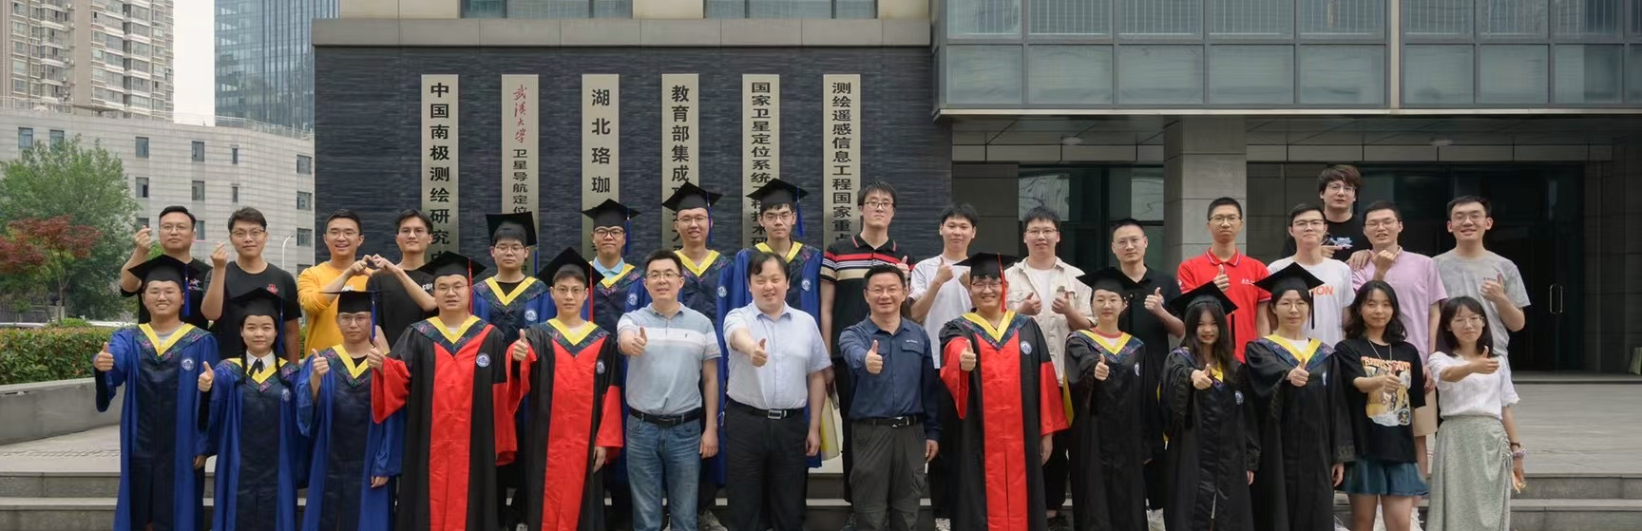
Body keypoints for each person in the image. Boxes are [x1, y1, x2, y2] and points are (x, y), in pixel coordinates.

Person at [368, 251, 516, 531]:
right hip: (427, 441)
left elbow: (501, 395)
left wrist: (501, 442)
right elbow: (398, 381)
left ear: (469, 290)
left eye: (458, 286)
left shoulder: (490, 337)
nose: (450, 293)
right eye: (442, 287)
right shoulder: (418, 334)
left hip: (475, 443)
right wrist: (382, 367)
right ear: (433, 293)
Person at [626, 183, 734, 531]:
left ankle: (702, 507)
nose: (693, 224)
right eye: (685, 218)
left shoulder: (728, 267)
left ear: (710, 222)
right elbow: (626, 333)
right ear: (676, 225)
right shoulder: (662, 270)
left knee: (706, 438)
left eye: (699, 218)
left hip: (712, 364)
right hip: (656, 386)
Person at [938, 252, 1070, 531]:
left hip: (1024, 437)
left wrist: (1047, 433)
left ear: (1004, 286)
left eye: (993, 283)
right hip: (978, 439)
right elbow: (954, 348)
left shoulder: (1027, 327)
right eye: (979, 283)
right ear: (970, 288)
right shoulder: (959, 328)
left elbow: (1046, 379)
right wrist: (962, 359)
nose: (987, 290)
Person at [94, 255, 217, 531]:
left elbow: (210, 399)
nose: (162, 297)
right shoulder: (128, 338)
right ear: (143, 297)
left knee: (178, 507)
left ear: (183, 298)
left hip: (183, 443)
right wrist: (102, 364)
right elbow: (115, 362)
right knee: (140, 503)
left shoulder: (201, 340)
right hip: (140, 440)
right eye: (154, 291)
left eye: (169, 291)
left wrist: (204, 444)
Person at [507, 247, 626, 531]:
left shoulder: (602, 340)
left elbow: (611, 394)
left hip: (587, 441)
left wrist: (604, 440)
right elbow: (521, 357)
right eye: (562, 290)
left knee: (584, 504)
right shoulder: (538, 335)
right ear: (552, 293)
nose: (569, 296)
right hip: (546, 440)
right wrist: (516, 354)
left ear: (586, 294)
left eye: (575, 290)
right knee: (545, 501)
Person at [821, 181, 916, 528]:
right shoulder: (837, 251)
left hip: (895, 357)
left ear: (893, 212)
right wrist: (826, 359)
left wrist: (906, 281)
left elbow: (908, 311)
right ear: (860, 209)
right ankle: (857, 506)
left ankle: (890, 506)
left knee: (893, 432)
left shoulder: (902, 256)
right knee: (855, 430)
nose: (879, 207)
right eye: (872, 202)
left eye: (885, 203)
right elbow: (826, 308)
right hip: (848, 358)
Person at [721, 251, 830, 531]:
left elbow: (816, 375)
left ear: (787, 283)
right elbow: (737, 336)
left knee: (789, 509)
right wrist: (752, 349)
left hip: (790, 426)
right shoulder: (738, 316)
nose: (768, 286)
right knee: (744, 509)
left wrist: (814, 427)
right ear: (749, 285)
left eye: (775, 279)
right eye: (760, 280)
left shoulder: (806, 323)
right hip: (746, 424)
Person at [617, 249, 723, 531]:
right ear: (645, 283)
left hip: (686, 430)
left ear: (681, 281)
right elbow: (625, 339)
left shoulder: (701, 323)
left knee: (685, 517)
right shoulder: (632, 319)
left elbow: (711, 379)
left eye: (668, 274)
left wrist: (711, 428)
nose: (662, 280)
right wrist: (630, 343)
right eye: (655, 275)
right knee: (646, 518)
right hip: (641, 429)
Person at [1245, 263, 1353, 531]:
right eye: (1285, 303)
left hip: (1317, 452)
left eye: (1300, 303)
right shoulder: (1260, 350)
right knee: (1275, 512)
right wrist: (1286, 375)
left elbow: (1337, 406)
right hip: (1276, 449)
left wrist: (1339, 454)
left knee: (1316, 511)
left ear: (1309, 308)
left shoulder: (1325, 354)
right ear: (1273, 308)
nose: (1294, 310)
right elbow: (1255, 397)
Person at [1004, 207, 1091, 529]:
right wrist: (1020, 312)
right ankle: (1021, 508)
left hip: (1064, 376)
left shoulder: (1077, 277)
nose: (1041, 236)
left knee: (1060, 447)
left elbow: (1091, 329)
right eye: (1034, 231)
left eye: (1047, 230)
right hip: (1019, 377)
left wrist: (1069, 311)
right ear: (1024, 236)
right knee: (1022, 443)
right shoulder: (1008, 277)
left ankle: (1053, 511)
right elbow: (992, 326)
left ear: (1058, 236)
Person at [837, 264, 940, 531]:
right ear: (866, 295)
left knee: (907, 513)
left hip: (911, 433)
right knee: (869, 513)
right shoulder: (853, 334)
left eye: (892, 289)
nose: (885, 295)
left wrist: (933, 433)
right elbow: (852, 352)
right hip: (871, 433)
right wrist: (866, 359)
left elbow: (928, 389)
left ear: (904, 293)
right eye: (878, 290)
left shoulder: (918, 334)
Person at [1350, 201, 1447, 476]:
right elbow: (1358, 310)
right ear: (1365, 231)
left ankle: (1414, 501)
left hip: (1416, 361)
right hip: (1370, 362)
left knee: (1417, 436)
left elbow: (1434, 313)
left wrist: (1430, 358)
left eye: (1387, 221)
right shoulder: (1355, 268)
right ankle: (1381, 499)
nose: (1381, 227)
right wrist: (1379, 270)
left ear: (1400, 226)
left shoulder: (1424, 264)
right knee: (1374, 432)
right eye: (1373, 223)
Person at [200, 287, 307, 531]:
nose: (259, 333)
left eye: (266, 327)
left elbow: (304, 419)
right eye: (251, 327)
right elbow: (213, 411)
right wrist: (207, 389)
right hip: (237, 463)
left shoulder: (292, 374)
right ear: (241, 331)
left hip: (278, 463)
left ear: (277, 331)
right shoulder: (226, 370)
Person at [295, 291, 397, 531]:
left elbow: (395, 417)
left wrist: (385, 463)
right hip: (329, 454)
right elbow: (304, 412)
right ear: (337, 321)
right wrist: (315, 379)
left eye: (361, 318)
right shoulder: (322, 360)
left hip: (370, 457)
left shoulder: (385, 363)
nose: (353, 324)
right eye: (346, 318)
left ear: (371, 320)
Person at [1160, 282, 1258, 531]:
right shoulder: (1179, 359)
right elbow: (1176, 380)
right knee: (1191, 513)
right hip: (1190, 455)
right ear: (1191, 326)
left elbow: (1247, 418)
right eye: (1200, 324)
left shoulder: (1234, 368)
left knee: (1227, 516)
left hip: (1229, 457)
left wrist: (1249, 460)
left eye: (1213, 324)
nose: (1207, 330)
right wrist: (1192, 377)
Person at [1104, 218, 1183, 518]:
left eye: (1135, 240)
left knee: (1156, 444)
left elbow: (1180, 330)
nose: (1129, 246)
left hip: (1156, 378)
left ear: (1146, 243)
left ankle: (1157, 511)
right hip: (1114, 379)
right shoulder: (1108, 284)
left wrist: (1160, 311)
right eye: (1122, 241)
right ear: (1113, 248)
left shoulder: (1165, 282)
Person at [1425, 296, 1525, 531]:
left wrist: (1517, 449)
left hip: (1491, 437)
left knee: (1490, 502)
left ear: (1483, 322)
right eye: (1459, 320)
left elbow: (1505, 407)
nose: (1468, 325)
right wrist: (1473, 367)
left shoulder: (1498, 361)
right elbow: (1447, 376)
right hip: (1455, 436)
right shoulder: (1440, 358)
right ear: (1448, 326)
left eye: (1474, 318)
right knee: (1456, 501)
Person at [1336, 281, 1428, 531]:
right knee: (1363, 523)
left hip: (1400, 449)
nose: (1379, 310)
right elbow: (1356, 382)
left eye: (1386, 305)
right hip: (1364, 447)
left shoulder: (1408, 351)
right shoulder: (1347, 348)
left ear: (1394, 310)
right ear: (1359, 309)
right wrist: (1379, 381)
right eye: (1372, 304)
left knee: (1400, 524)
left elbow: (1413, 403)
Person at [908, 204, 978, 531]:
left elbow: (995, 314)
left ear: (973, 232)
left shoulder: (981, 270)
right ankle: (943, 515)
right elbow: (915, 314)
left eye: (963, 226)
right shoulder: (924, 268)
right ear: (941, 229)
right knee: (940, 441)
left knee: (973, 441)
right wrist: (937, 282)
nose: (957, 231)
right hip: (936, 365)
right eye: (951, 225)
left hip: (974, 365)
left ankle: (972, 510)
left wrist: (971, 287)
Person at [1063, 269, 1149, 531]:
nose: (1106, 305)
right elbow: (1081, 365)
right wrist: (1093, 369)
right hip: (1092, 436)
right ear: (1091, 304)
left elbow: (1145, 396)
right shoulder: (1079, 341)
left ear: (1124, 304)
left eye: (1113, 299)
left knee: (1128, 501)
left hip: (1128, 439)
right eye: (1099, 299)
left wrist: (1148, 443)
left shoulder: (1136, 347)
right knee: (1094, 501)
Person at [1433, 196, 1529, 402]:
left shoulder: (1505, 267)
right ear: (1450, 226)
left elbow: (1517, 324)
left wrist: (1501, 299)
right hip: (1449, 357)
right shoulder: (1434, 266)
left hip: (1492, 356)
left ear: (1488, 223)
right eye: (1460, 217)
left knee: (1496, 414)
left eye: (1475, 216)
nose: (1467, 222)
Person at [201, 208, 303, 362]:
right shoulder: (219, 273)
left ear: (265, 236)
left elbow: (291, 331)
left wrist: (293, 369)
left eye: (255, 232)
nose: (248, 239)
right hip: (229, 365)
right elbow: (211, 314)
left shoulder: (283, 278)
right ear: (231, 238)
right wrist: (219, 269)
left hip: (272, 368)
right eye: (240, 233)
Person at [1177, 197, 1270, 361]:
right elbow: (1189, 313)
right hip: (1205, 359)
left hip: (1247, 357)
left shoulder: (1258, 268)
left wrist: (1264, 354)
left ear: (1241, 224)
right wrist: (1212, 290)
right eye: (1219, 218)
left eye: (1231, 218)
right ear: (1208, 225)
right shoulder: (1189, 268)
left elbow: (1262, 319)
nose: (1225, 224)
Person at [1265, 204, 1356, 346]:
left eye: (1315, 223)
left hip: (1331, 351)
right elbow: (1269, 317)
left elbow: (1346, 319)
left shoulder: (1341, 269)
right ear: (1291, 230)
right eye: (1301, 223)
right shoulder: (1276, 269)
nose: (1309, 228)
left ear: (1325, 228)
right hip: (1288, 352)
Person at [120, 205, 213, 329]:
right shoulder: (149, 267)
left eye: (181, 227)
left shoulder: (208, 273)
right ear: (159, 234)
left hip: (195, 340)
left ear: (193, 235)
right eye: (167, 227)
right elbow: (127, 287)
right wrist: (140, 251)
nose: (173, 232)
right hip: (149, 340)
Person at [300, 210, 374, 357]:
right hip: (321, 364)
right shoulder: (310, 274)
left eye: (348, 232)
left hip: (365, 364)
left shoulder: (372, 277)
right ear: (325, 239)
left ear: (360, 239)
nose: (341, 238)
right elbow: (311, 305)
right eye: (334, 232)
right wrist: (347, 274)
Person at [364, 209, 439, 345]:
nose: (412, 236)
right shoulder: (379, 278)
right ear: (397, 239)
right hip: (390, 354)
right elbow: (373, 323)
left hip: (431, 354)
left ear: (430, 238)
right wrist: (388, 356)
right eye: (405, 231)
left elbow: (434, 307)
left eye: (418, 230)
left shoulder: (440, 277)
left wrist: (396, 271)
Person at [1283, 165, 1369, 261]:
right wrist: (1311, 255)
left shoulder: (1367, 227)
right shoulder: (1306, 228)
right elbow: (1285, 266)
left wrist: (1368, 253)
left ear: (1355, 196)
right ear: (1322, 193)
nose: (1341, 193)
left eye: (1347, 188)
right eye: (1335, 187)